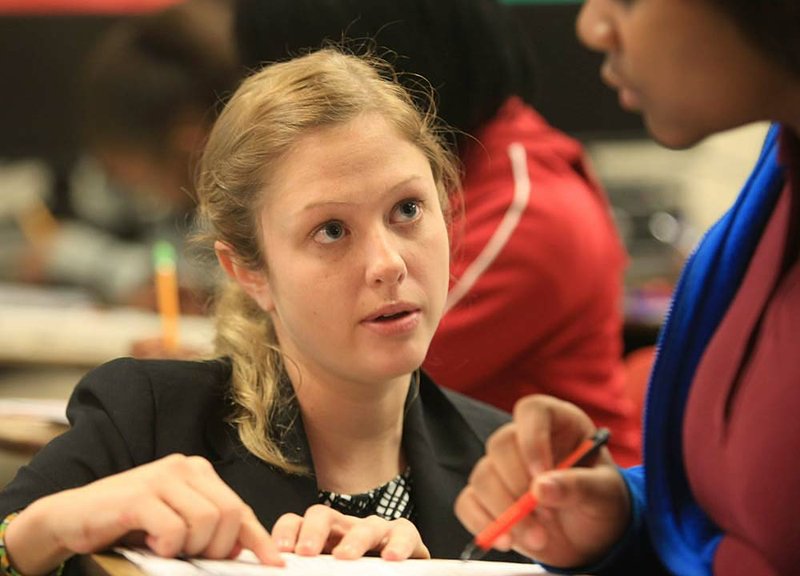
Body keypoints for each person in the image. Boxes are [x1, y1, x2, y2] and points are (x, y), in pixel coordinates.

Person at [0, 49, 528, 574]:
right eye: (332, 231)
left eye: (407, 210)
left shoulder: (507, 466)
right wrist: (46, 528)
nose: (387, 264)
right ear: (249, 272)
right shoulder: (151, 423)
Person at [454, 0, 800, 575]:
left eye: (629, 0)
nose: (591, 27)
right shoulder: (779, 177)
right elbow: (741, 525)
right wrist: (624, 514)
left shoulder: (532, 205)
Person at [236, 0, 641, 467]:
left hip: (551, 512)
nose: (387, 264)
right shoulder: (483, 163)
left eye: (407, 210)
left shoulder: (528, 207)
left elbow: (347, 382)